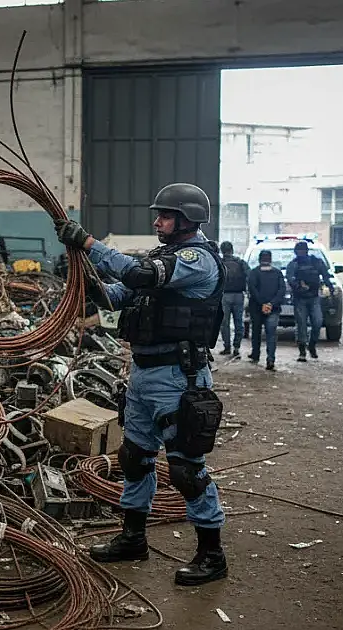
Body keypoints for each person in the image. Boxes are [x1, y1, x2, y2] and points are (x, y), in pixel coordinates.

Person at [54, 183, 227, 586]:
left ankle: (212, 554)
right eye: (159, 215)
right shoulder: (161, 259)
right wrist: (83, 273)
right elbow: (114, 296)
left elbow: (135, 274)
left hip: (178, 379)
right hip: (143, 375)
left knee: (185, 469)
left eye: (165, 216)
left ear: (187, 220)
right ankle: (133, 538)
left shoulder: (197, 260)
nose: (157, 221)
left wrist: (89, 243)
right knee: (134, 457)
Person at [285, 240, 334, 362]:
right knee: (301, 325)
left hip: (314, 297)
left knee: (318, 322)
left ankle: (312, 344)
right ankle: (302, 350)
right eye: (299, 251)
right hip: (300, 298)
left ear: (306, 251)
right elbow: (290, 278)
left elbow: (325, 275)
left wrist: (330, 287)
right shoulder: (294, 264)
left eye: (302, 250)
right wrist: (299, 286)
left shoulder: (316, 262)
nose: (301, 253)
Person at [247, 249, 286, 371]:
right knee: (271, 334)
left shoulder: (254, 272)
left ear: (259, 259)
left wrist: (263, 304)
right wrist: (271, 304)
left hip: (257, 307)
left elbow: (252, 290)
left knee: (256, 332)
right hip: (273, 308)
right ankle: (270, 359)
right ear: (271, 259)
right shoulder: (278, 273)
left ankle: (256, 355)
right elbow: (281, 290)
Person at [218, 241, 251, 359]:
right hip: (238, 295)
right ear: (232, 250)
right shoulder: (240, 262)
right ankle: (236, 347)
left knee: (224, 323)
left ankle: (227, 347)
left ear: (222, 250)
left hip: (223, 296)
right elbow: (249, 276)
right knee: (238, 322)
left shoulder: (219, 262)